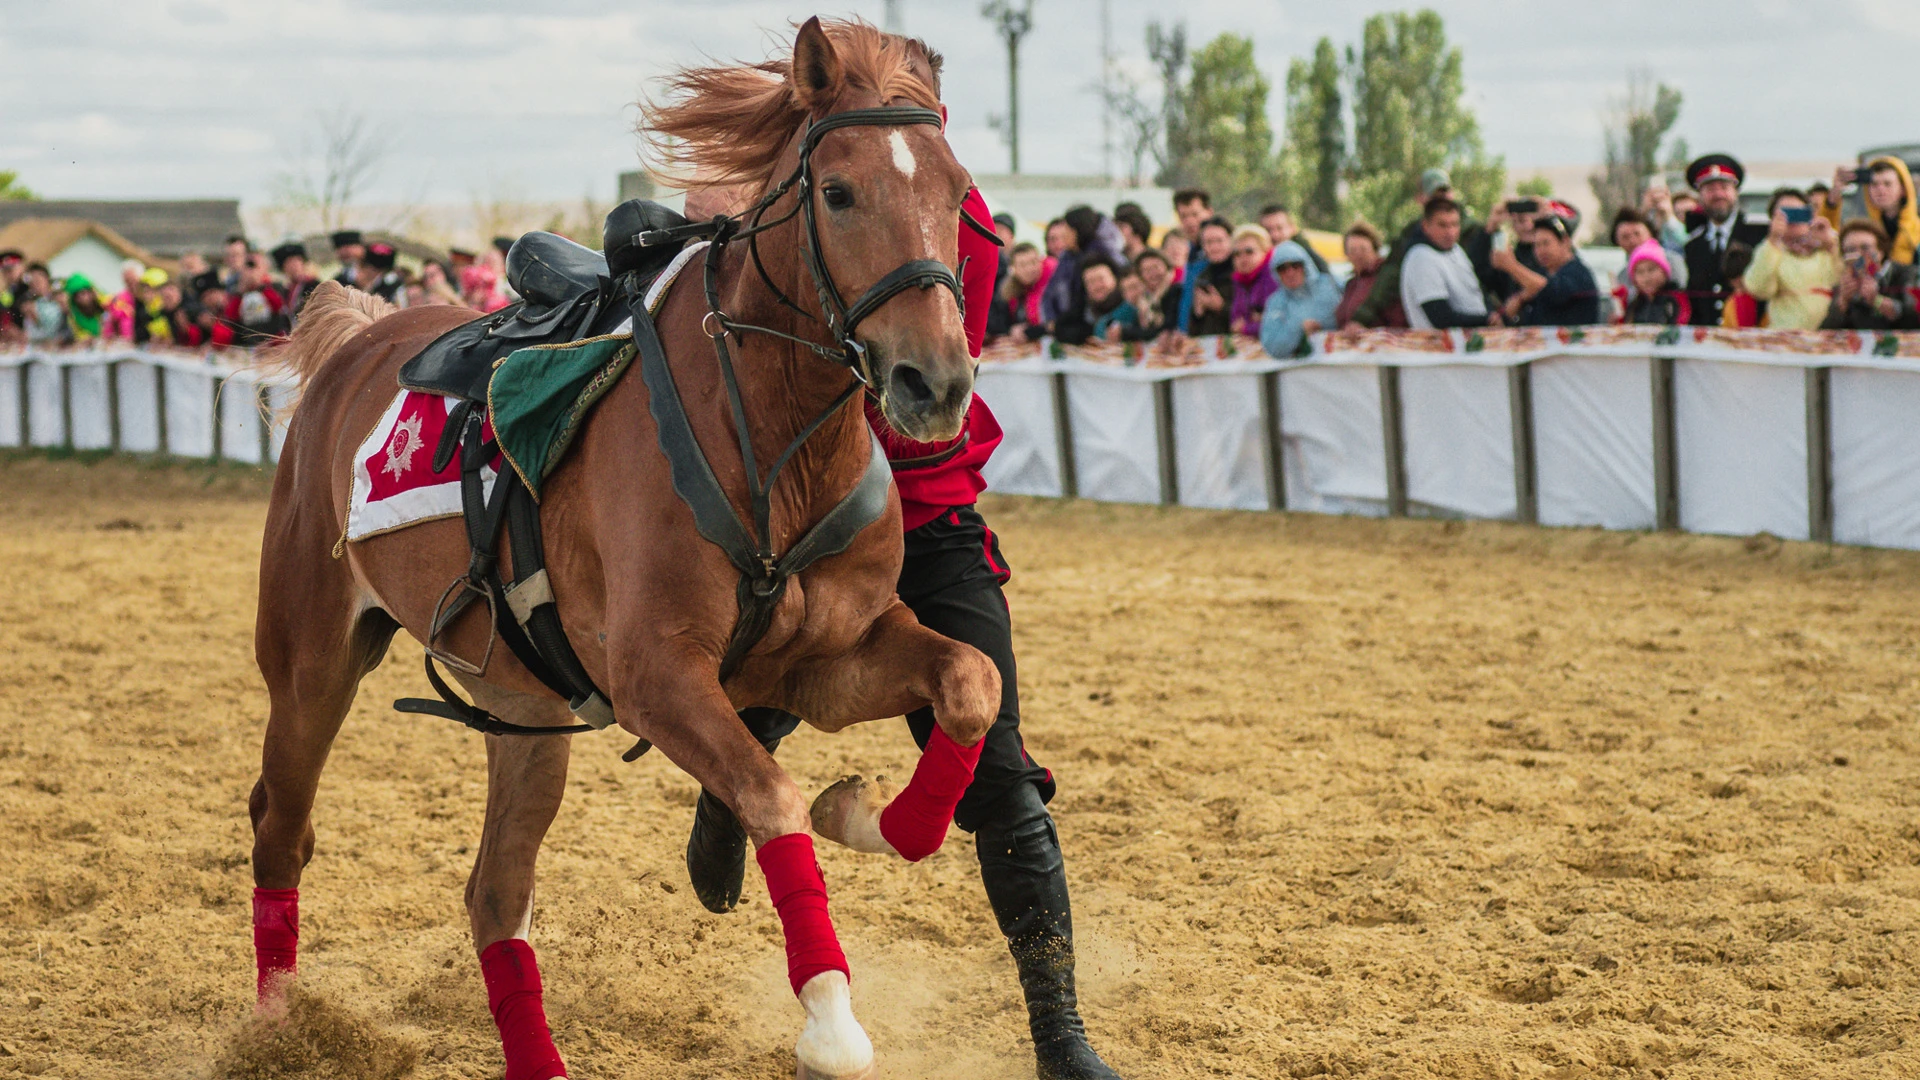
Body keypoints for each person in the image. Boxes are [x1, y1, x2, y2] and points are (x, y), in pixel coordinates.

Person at [685, 37, 1126, 1079]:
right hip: (804, 525)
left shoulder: (955, 219)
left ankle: (1062, 1041)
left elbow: (929, 385)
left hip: (925, 517)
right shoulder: (798, 210)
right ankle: (731, 775)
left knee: (1004, 780)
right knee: (783, 670)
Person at [1681, 154, 1769, 325]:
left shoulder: (1759, 234)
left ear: (1735, 192)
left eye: (1724, 187)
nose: (1718, 194)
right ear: (1699, 195)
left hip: (1751, 337)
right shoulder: (1693, 245)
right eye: (1710, 189)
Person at [1742, 188, 1842, 330]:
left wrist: (1832, 245)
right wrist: (1773, 241)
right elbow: (1758, 289)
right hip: (1785, 339)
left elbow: (1843, 278)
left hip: (1827, 337)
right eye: (1785, 214)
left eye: (1798, 213)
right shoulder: (1771, 251)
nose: (1792, 219)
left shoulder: (1826, 249)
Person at [1398, 197, 1493, 329]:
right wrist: (1488, 320)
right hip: (1441, 346)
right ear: (1426, 226)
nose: (1450, 232)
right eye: (1442, 225)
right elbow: (1441, 318)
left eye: (1455, 224)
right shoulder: (1421, 257)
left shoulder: (1456, 250)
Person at [1493, 211, 1601, 326]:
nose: (1540, 251)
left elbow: (1552, 290)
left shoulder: (1578, 273)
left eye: (1546, 243)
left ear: (1565, 242)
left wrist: (1511, 265)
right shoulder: (1542, 272)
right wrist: (1519, 301)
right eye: (1536, 245)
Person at [1823, 218, 1919, 330]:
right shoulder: (1845, 284)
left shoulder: (1909, 275)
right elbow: (1826, 332)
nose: (1858, 255)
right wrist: (1842, 302)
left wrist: (1877, 301)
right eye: (1850, 250)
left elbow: (1913, 317)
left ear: (1880, 252)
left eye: (1865, 248)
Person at [1824, 156, 1920, 267]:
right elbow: (1827, 234)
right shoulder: (1864, 228)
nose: (1880, 190)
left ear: (1903, 189)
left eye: (1887, 184)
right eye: (1874, 184)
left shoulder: (1917, 230)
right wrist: (1835, 193)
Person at [1260, 239, 1340, 358]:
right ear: (1276, 273)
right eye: (1282, 268)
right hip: (1301, 368)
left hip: (1339, 357)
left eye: (1295, 265)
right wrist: (1298, 329)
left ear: (1305, 265)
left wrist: (1322, 325)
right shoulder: (1275, 302)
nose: (1290, 272)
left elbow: (1349, 316)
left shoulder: (1330, 284)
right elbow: (1272, 347)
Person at [1334, 222, 1401, 329]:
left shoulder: (1386, 279)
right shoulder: (1351, 284)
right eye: (1352, 250)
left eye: (1363, 249)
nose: (1358, 255)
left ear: (1375, 249)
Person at [223, 253, 291, 346]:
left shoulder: (274, 287)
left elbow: (278, 307)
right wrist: (241, 291)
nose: (251, 272)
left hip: (271, 342)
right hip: (246, 342)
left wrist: (260, 286)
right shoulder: (237, 291)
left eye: (254, 267)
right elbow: (231, 317)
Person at [1038, 219, 1089, 343]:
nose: (1059, 243)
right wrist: (1051, 321)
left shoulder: (1082, 259)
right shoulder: (1059, 263)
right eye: (1053, 239)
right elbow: (1047, 297)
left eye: (1063, 237)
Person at [1618, 241, 1690, 325]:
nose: (1646, 277)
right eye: (1640, 272)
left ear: (1664, 272)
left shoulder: (1676, 298)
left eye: (1651, 269)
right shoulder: (1634, 303)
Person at [1171, 187, 1212, 332]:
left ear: (1209, 212)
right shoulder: (1188, 252)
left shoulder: (1220, 253)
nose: (1190, 222)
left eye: (1195, 214)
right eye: (1183, 216)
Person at [991, 241, 1048, 342]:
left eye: (1033, 262)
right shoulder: (1007, 290)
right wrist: (1010, 330)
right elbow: (996, 320)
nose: (1030, 268)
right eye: (1023, 265)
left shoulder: (1051, 283)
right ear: (1013, 269)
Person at [1226, 225, 1277, 337]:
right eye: (1236, 254)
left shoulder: (1275, 277)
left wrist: (1247, 328)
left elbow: (1276, 323)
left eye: (1249, 252)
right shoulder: (1240, 281)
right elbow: (1236, 320)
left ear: (1265, 251)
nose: (1242, 258)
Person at [1257, 203, 1330, 273]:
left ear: (1292, 228)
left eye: (1279, 228)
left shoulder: (1311, 259)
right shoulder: (1254, 261)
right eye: (1268, 230)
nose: (1274, 235)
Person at [1080, 256, 1135, 340]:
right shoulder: (1087, 311)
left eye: (1101, 279)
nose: (1097, 286)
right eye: (1090, 282)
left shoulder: (1130, 304)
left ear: (1115, 279)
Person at [1131, 248, 1177, 337]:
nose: (1153, 274)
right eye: (1147, 270)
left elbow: (1166, 329)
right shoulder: (1144, 301)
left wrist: (1123, 333)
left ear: (1167, 267)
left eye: (1156, 267)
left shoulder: (1176, 291)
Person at [21, 265, 71, 345]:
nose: (35, 285)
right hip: (50, 346)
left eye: (37, 280)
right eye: (31, 283)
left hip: (69, 341)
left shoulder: (62, 295)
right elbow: (30, 335)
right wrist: (35, 319)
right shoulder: (32, 305)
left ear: (47, 278)